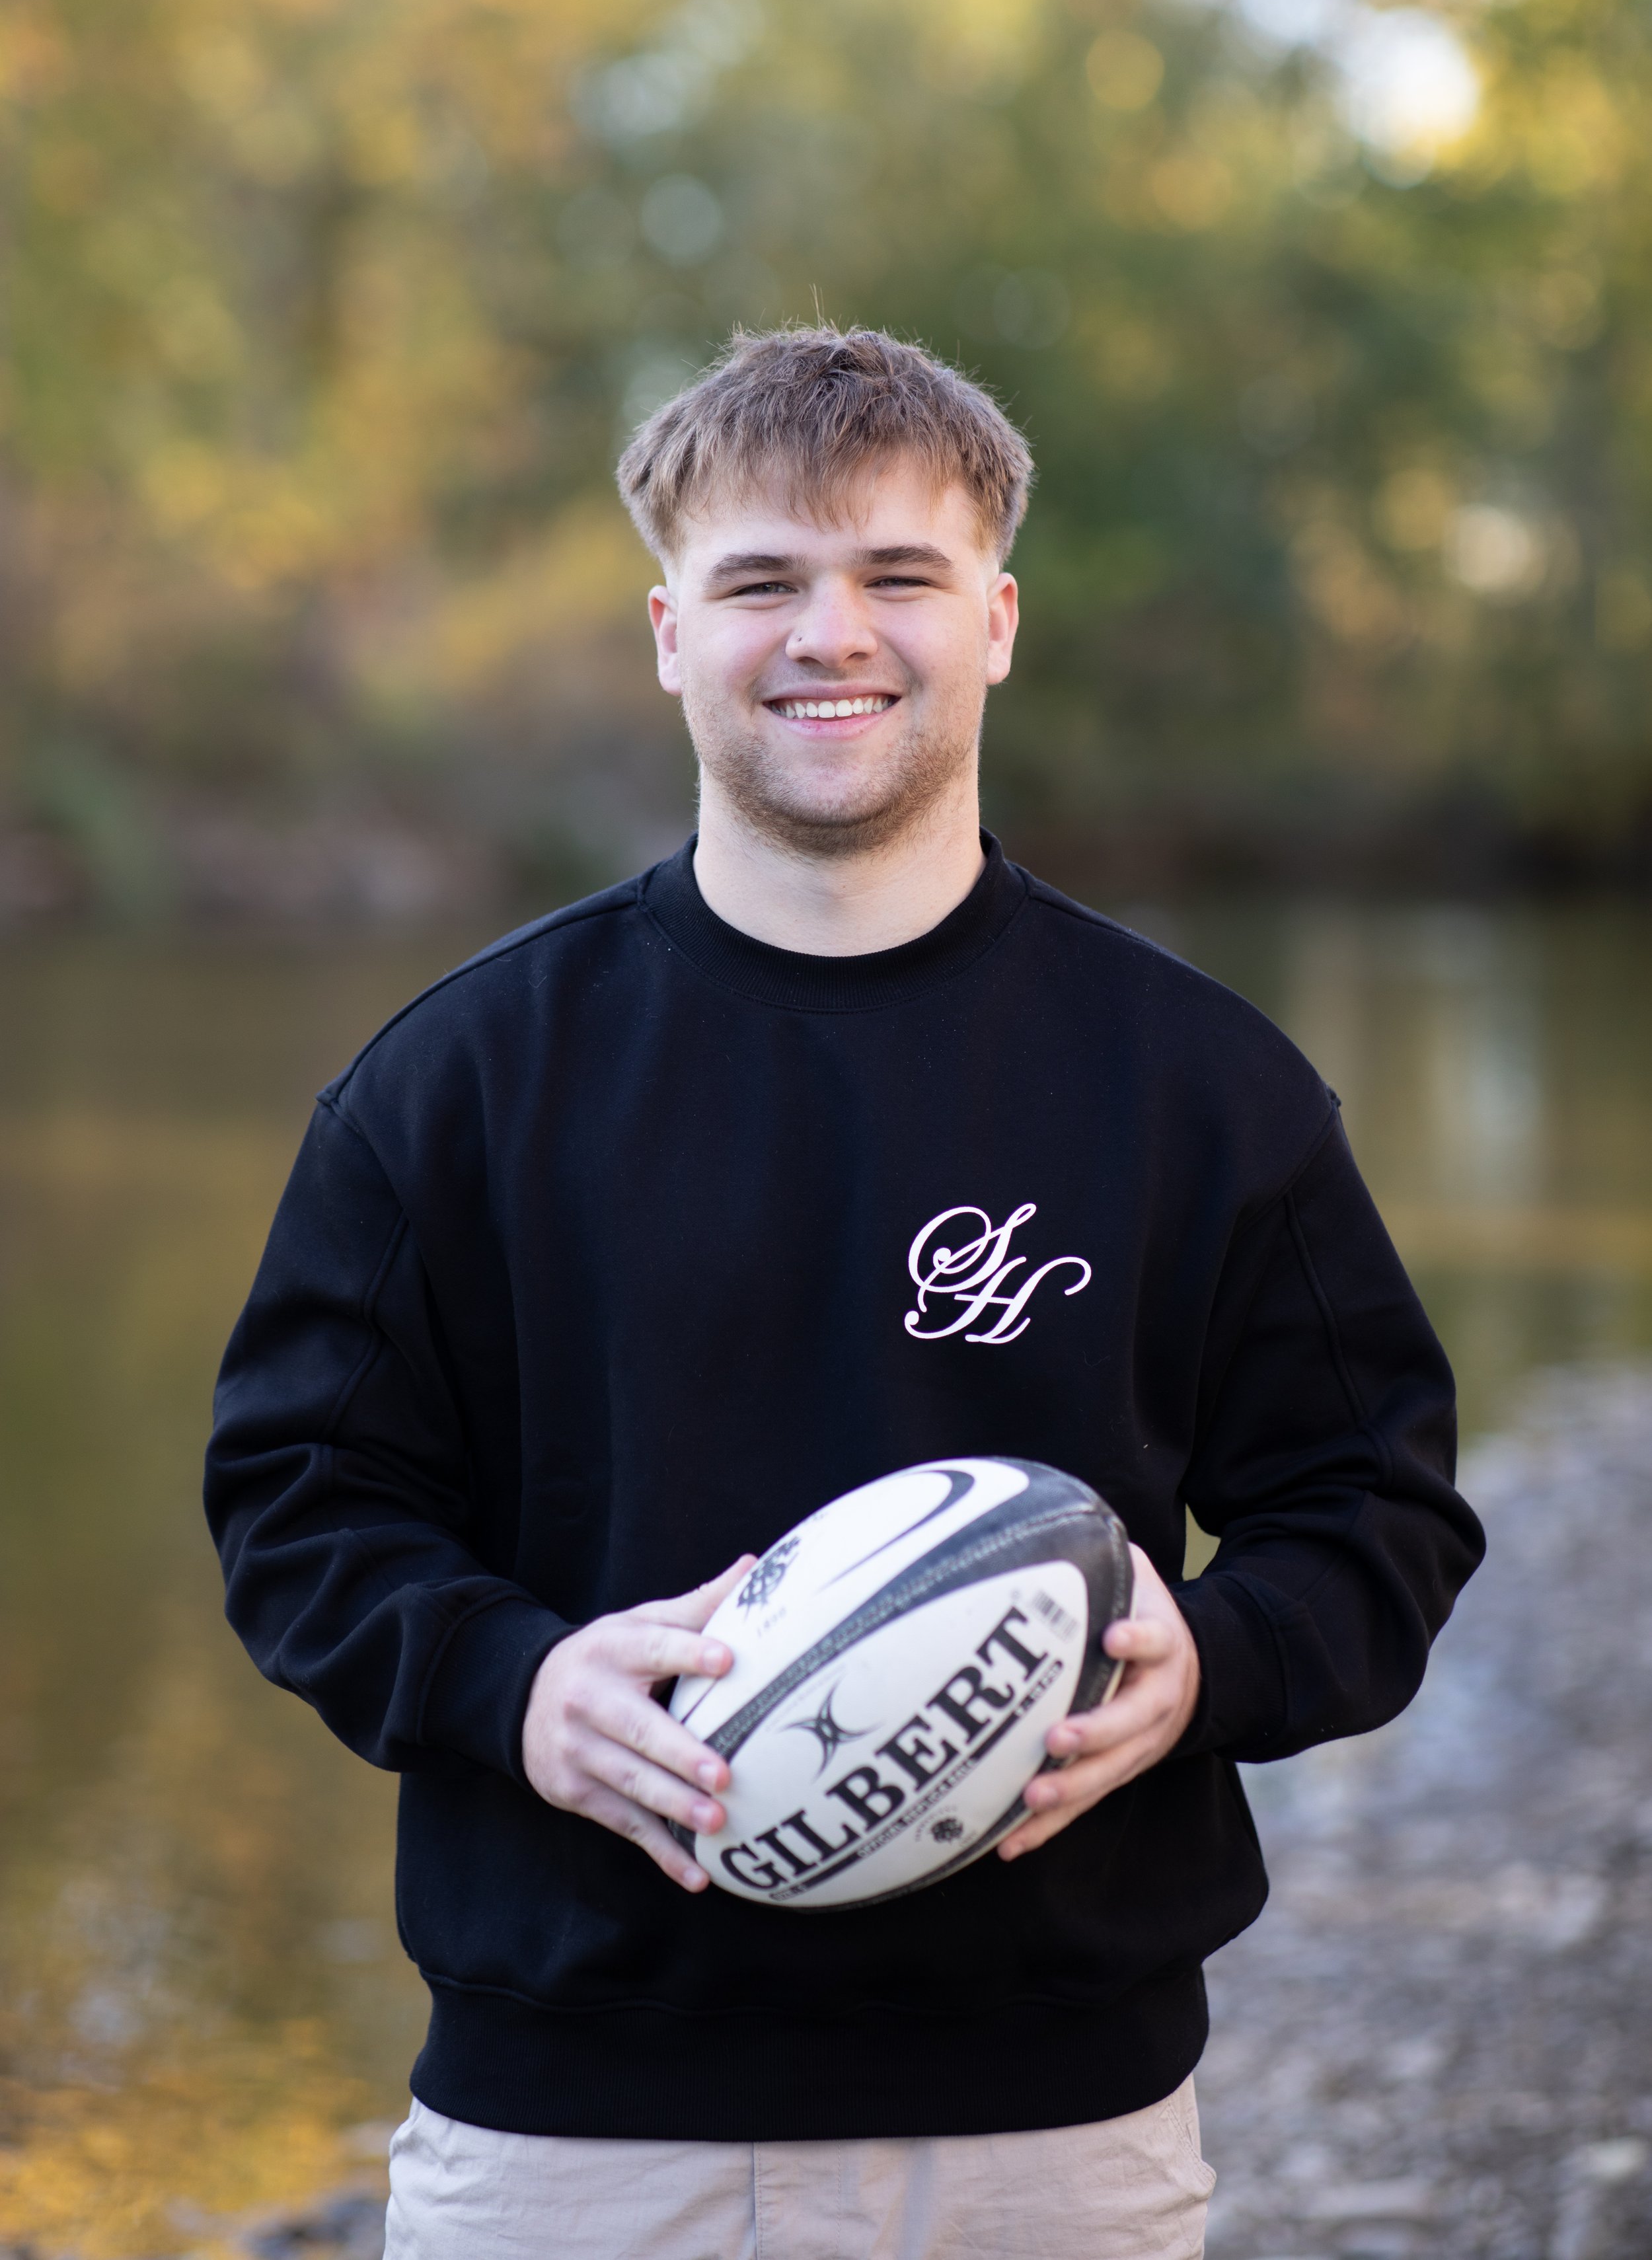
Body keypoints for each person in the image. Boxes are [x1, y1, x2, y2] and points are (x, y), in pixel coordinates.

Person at [206, 326, 1484, 2259]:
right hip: (569, 2132)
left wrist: (1213, 1661)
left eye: (897, 575)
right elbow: (296, 1501)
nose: (832, 635)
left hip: (1055, 2127)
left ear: (997, 619)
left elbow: (1375, 1508)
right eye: (760, 584)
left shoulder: (1193, 1083)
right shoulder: (460, 1082)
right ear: (665, 632)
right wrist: (512, 1681)